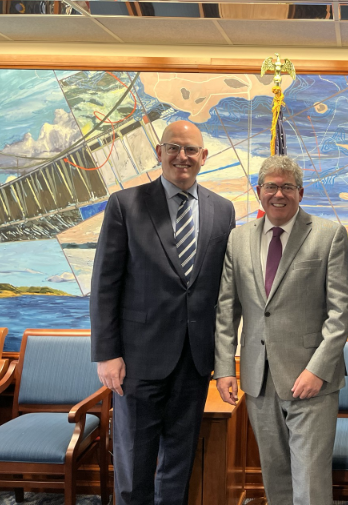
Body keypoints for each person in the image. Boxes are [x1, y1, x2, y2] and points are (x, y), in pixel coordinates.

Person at [90, 120, 236, 505]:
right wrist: (106, 354)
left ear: (204, 156)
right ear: (159, 152)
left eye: (191, 150)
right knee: (134, 462)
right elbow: (105, 284)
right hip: (137, 360)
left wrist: (224, 359)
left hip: (194, 359)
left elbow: (223, 289)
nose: (182, 156)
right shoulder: (126, 204)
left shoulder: (223, 211)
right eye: (173, 147)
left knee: (179, 461)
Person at [214, 155, 348, 505]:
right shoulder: (237, 239)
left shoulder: (329, 235)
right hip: (258, 379)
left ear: (300, 193)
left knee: (309, 481)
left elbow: (340, 313)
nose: (279, 194)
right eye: (271, 186)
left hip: (311, 382)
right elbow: (227, 310)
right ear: (258, 191)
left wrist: (317, 370)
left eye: (287, 187)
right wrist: (224, 368)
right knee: (275, 478)